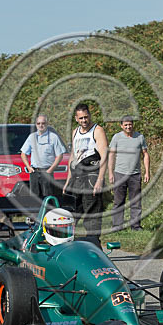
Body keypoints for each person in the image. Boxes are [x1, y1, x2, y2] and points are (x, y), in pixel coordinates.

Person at [63, 103, 109, 240]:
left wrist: (100, 180)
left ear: (90, 115)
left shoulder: (97, 130)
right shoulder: (75, 132)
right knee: (71, 213)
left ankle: (94, 244)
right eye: (81, 118)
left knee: (92, 214)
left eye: (86, 117)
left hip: (91, 176)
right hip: (76, 177)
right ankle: (66, 243)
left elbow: (104, 156)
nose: (84, 120)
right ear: (76, 119)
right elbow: (73, 157)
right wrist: (67, 181)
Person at [108, 116, 149, 231]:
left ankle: (136, 226)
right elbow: (111, 155)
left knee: (135, 202)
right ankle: (117, 226)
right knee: (118, 202)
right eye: (125, 125)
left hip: (135, 174)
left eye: (130, 124)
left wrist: (147, 172)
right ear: (121, 126)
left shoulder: (139, 137)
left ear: (133, 125)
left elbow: (145, 154)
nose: (128, 127)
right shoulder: (116, 137)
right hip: (120, 173)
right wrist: (110, 173)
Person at [20, 115, 67, 200]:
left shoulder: (53, 137)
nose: (41, 125)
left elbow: (60, 155)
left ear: (47, 124)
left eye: (43, 123)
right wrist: (28, 167)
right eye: (38, 123)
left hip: (47, 171)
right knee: (34, 198)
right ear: (36, 124)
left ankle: (48, 213)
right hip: (34, 171)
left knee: (48, 197)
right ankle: (36, 213)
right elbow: (23, 154)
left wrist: (50, 170)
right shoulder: (32, 137)